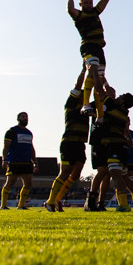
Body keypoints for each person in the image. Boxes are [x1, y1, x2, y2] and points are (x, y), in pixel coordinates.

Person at [45, 66, 90, 212]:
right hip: (69, 141)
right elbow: (78, 86)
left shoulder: (88, 108)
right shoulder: (70, 104)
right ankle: (51, 201)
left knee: (76, 174)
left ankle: (58, 199)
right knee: (65, 172)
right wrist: (84, 72)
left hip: (80, 143)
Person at [65, 0, 111, 119]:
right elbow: (70, 9)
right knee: (93, 70)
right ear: (81, 4)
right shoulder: (80, 16)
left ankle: (100, 114)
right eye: (84, 2)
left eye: (89, 2)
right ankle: (87, 102)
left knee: (99, 75)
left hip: (99, 48)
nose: (88, 4)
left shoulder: (95, 12)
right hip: (88, 47)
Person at [97, 90, 133, 211]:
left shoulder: (114, 108)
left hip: (115, 146)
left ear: (122, 102)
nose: (118, 97)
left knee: (116, 175)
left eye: (121, 97)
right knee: (125, 177)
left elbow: (101, 90)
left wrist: (95, 72)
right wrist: (129, 141)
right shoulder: (124, 114)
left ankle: (124, 204)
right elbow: (126, 130)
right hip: (122, 148)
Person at [0, 112, 36, 210]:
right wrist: (4, 159)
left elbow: (31, 148)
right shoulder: (12, 131)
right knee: (11, 182)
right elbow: (6, 147)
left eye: (27, 117)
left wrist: (35, 162)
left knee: (28, 183)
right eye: (23, 117)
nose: (25, 118)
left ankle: (21, 205)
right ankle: (3, 206)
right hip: (14, 161)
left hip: (27, 162)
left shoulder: (29, 133)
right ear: (18, 118)